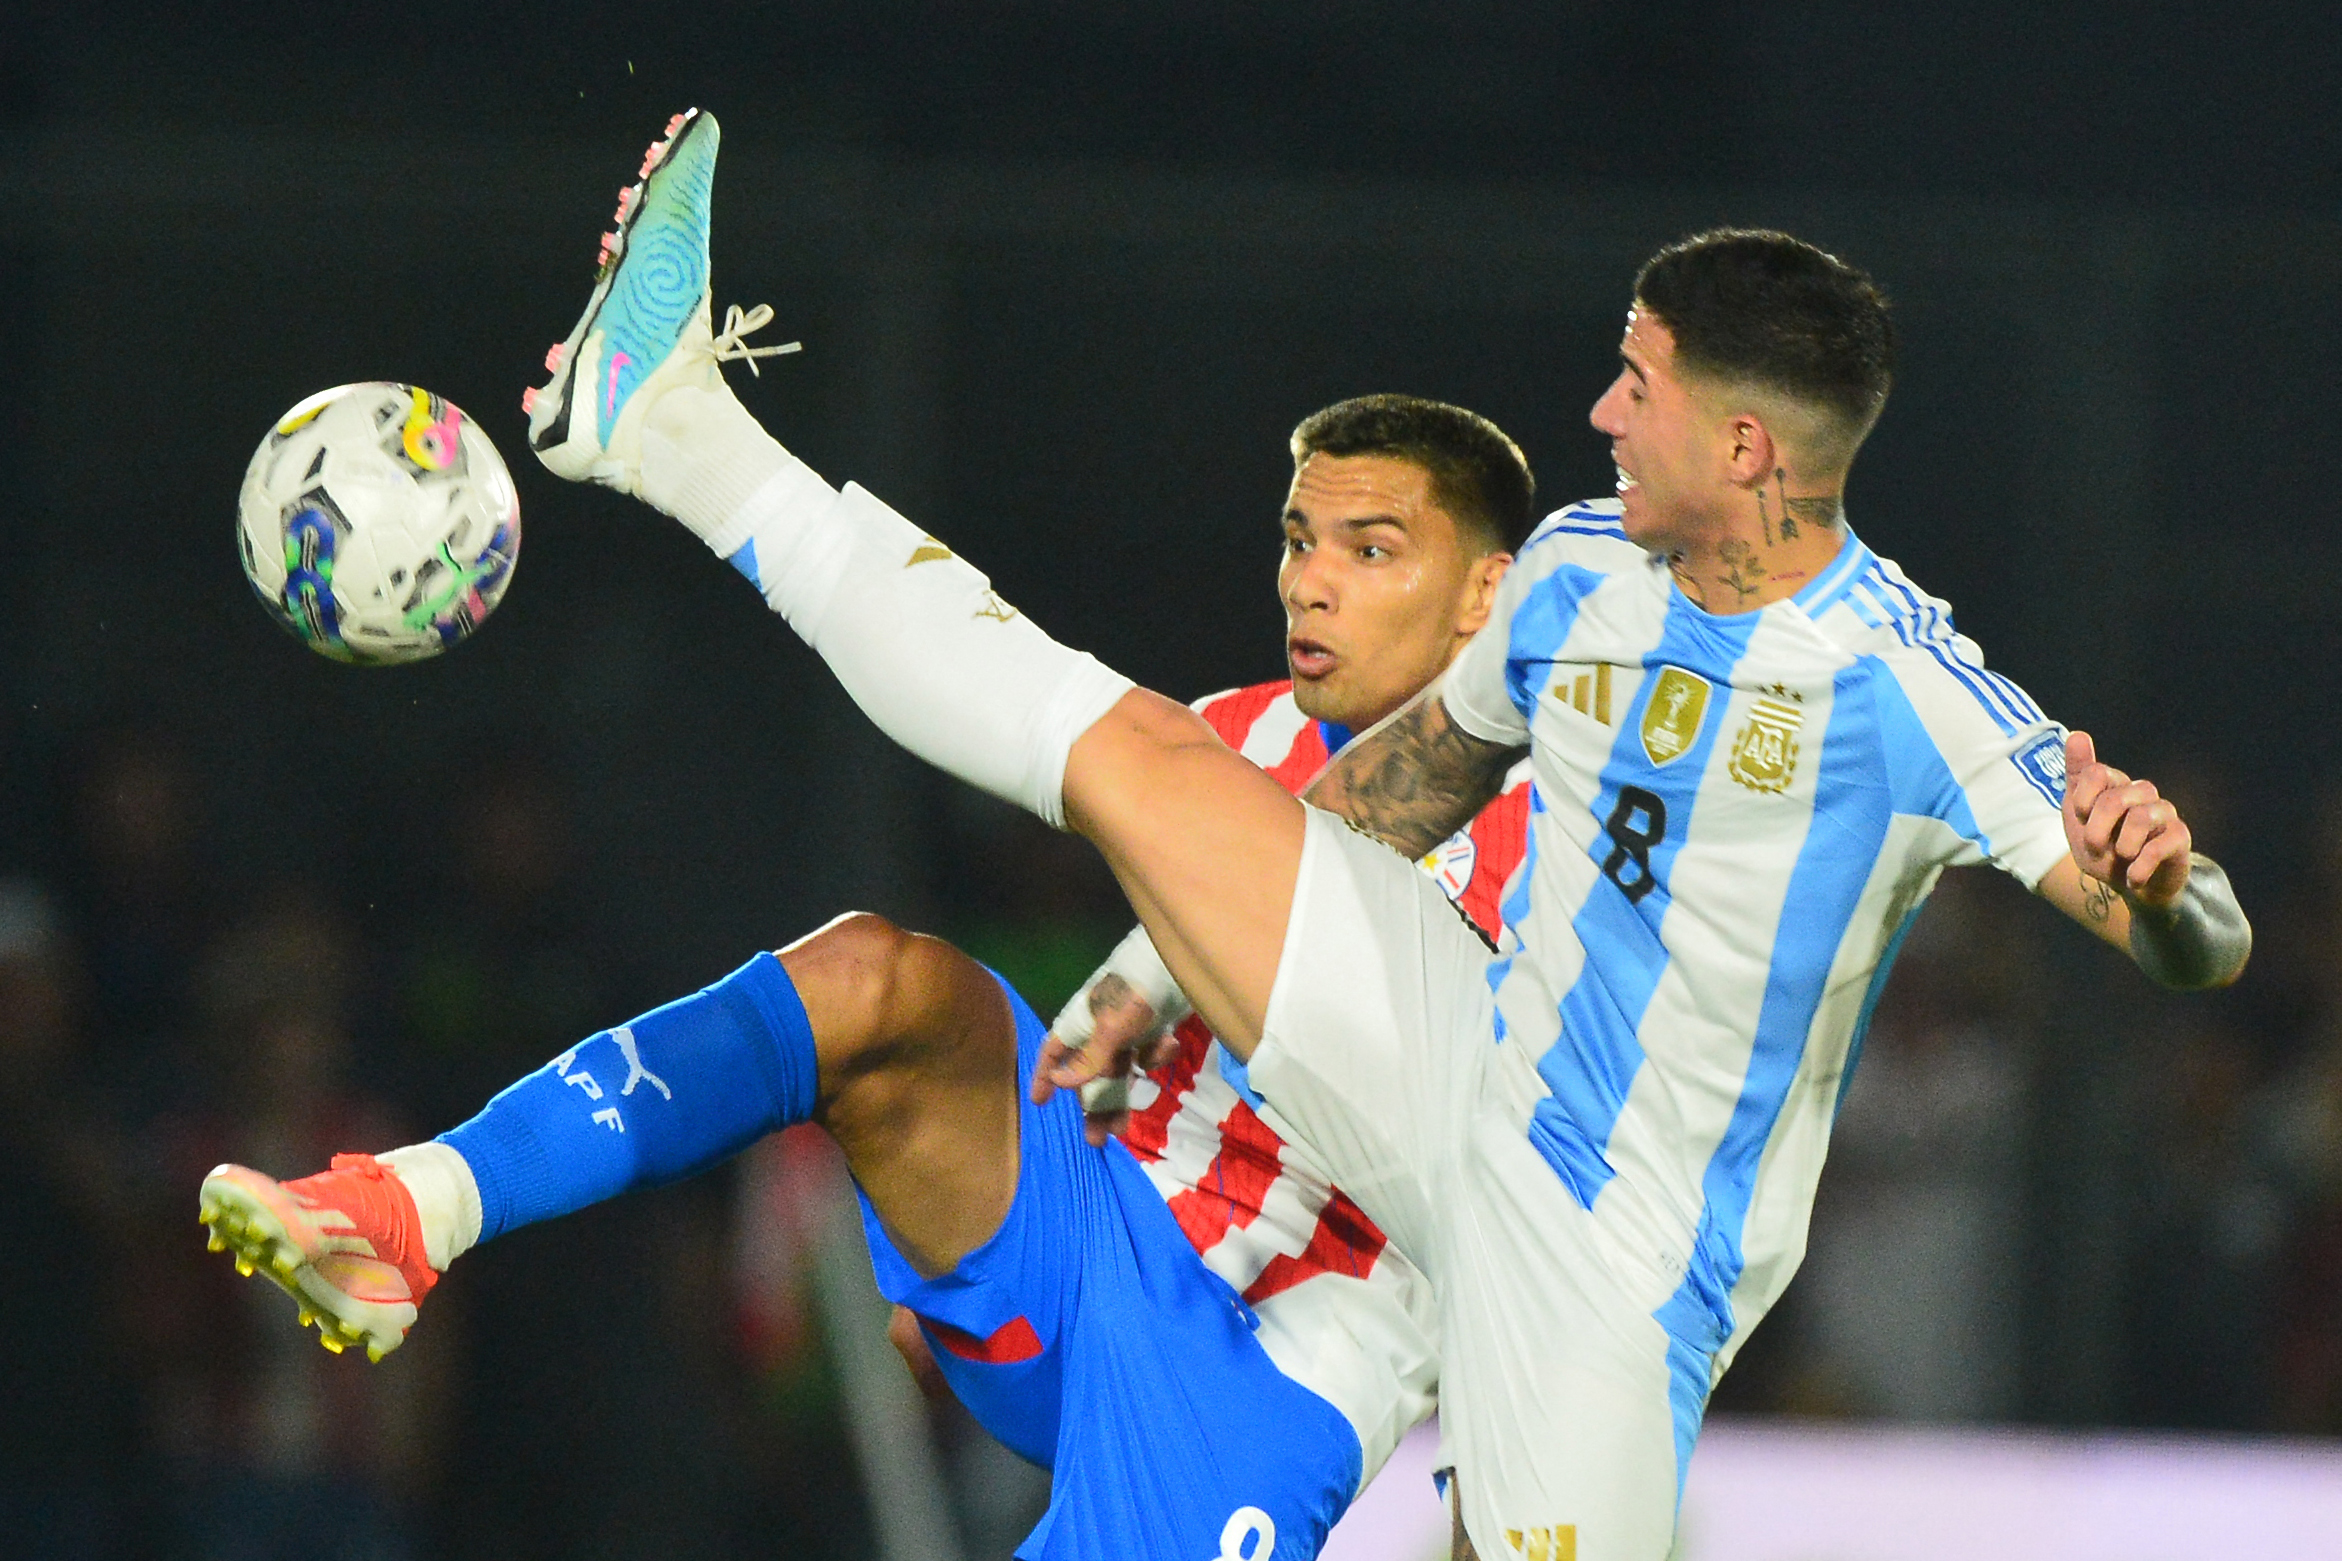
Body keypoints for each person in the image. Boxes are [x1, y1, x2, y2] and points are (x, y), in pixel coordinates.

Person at [505, 108, 2254, 1559]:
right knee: (1128, 750)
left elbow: (2191, 941)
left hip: (1611, 1266)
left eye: (1633, 384)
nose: (1598, 411)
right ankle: (675, 429)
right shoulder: (1579, 564)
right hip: (1462, 1064)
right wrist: (1151, 971)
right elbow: (1404, 781)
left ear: (1743, 442)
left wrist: (2165, 880)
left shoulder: (1907, 685)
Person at [202, 310, 1537, 1561]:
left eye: (1368, 550)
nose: (1310, 583)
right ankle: (411, 1205)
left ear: (1486, 596)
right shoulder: (1227, 737)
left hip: (1280, 1358)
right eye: (1299, 538)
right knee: (876, 975)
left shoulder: (1578, 853)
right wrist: (962, 1177)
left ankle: (678, 432)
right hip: (1085, 1228)